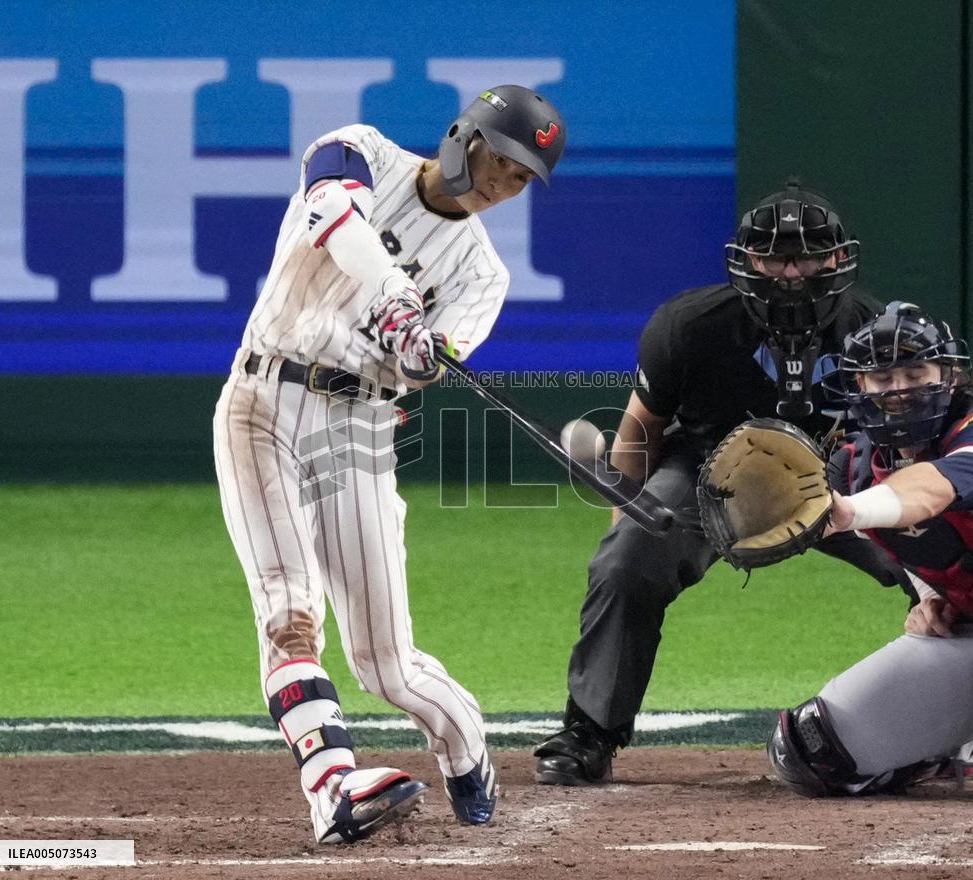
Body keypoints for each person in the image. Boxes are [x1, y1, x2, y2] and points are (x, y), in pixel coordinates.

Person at [213, 85, 565, 842]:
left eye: (519, 180)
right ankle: (333, 789)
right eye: (498, 160)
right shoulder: (361, 149)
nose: (502, 186)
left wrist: (417, 349)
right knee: (288, 610)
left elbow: (431, 364)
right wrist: (395, 296)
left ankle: (465, 741)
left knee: (386, 664)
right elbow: (334, 213)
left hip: (359, 430)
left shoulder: (482, 275)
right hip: (261, 400)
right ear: (463, 136)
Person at [534, 180, 914, 786]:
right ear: (747, 260)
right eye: (776, 256)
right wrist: (627, 530)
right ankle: (590, 732)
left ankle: (948, 727)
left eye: (809, 255)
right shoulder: (688, 326)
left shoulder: (875, 332)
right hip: (713, 476)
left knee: (943, 560)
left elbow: (908, 442)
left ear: (838, 260)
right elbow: (639, 427)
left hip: (838, 472)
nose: (792, 272)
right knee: (628, 561)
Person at [768, 300, 973, 796]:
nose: (900, 390)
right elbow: (920, 541)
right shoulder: (856, 464)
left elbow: (928, 490)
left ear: (948, 375)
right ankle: (936, 750)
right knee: (811, 752)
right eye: (883, 378)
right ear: (860, 387)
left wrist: (850, 512)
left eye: (914, 372)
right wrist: (927, 599)